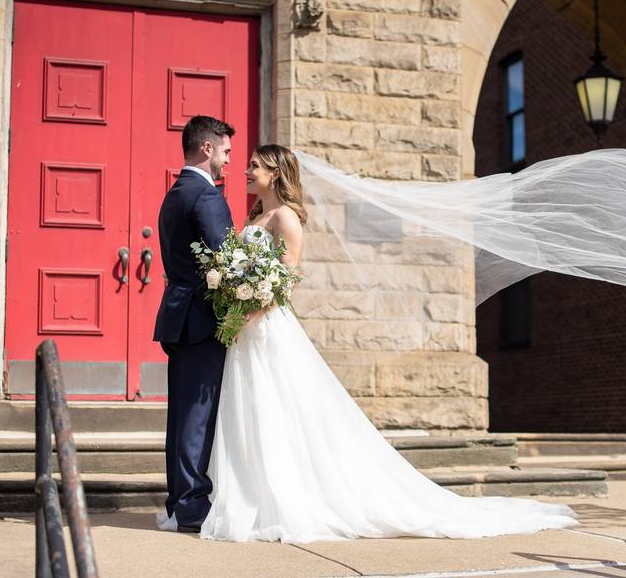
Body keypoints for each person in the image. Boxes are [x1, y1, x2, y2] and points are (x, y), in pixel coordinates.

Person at [189, 144, 580, 543]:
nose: (246, 170)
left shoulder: (287, 218)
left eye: (254, 166)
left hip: (266, 326)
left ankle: (280, 499)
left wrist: (250, 311)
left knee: (275, 409)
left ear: (275, 173)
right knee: (252, 409)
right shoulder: (256, 215)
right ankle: (250, 493)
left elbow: (286, 278)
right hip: (247, 330)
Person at [153, 115, 235, 533]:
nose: (228, 160)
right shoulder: (205, 196)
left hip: (180, 318)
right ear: (206, 148)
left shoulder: (175, 192)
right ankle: (190, 505)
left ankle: (178, 501)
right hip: (202, 321)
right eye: (225, 151)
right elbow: (230, 261)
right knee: (196, 417)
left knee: (183, 415)